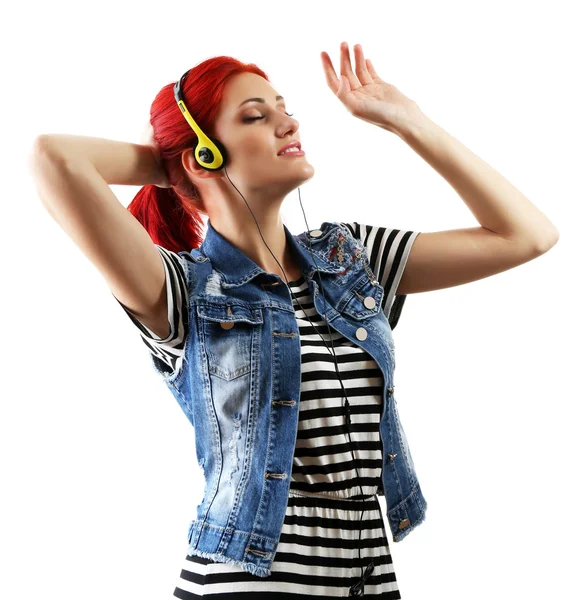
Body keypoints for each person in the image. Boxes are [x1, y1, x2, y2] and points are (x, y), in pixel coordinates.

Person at [28, 42, 559, 598]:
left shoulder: (348, 259)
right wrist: (172, 163)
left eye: (284, 108)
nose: (288, 122)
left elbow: (527, 236)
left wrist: (408, 121)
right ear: (205, 154)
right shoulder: (183, 290)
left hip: (365, 574)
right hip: (252, 581)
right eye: (256, 116)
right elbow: (52, 158)